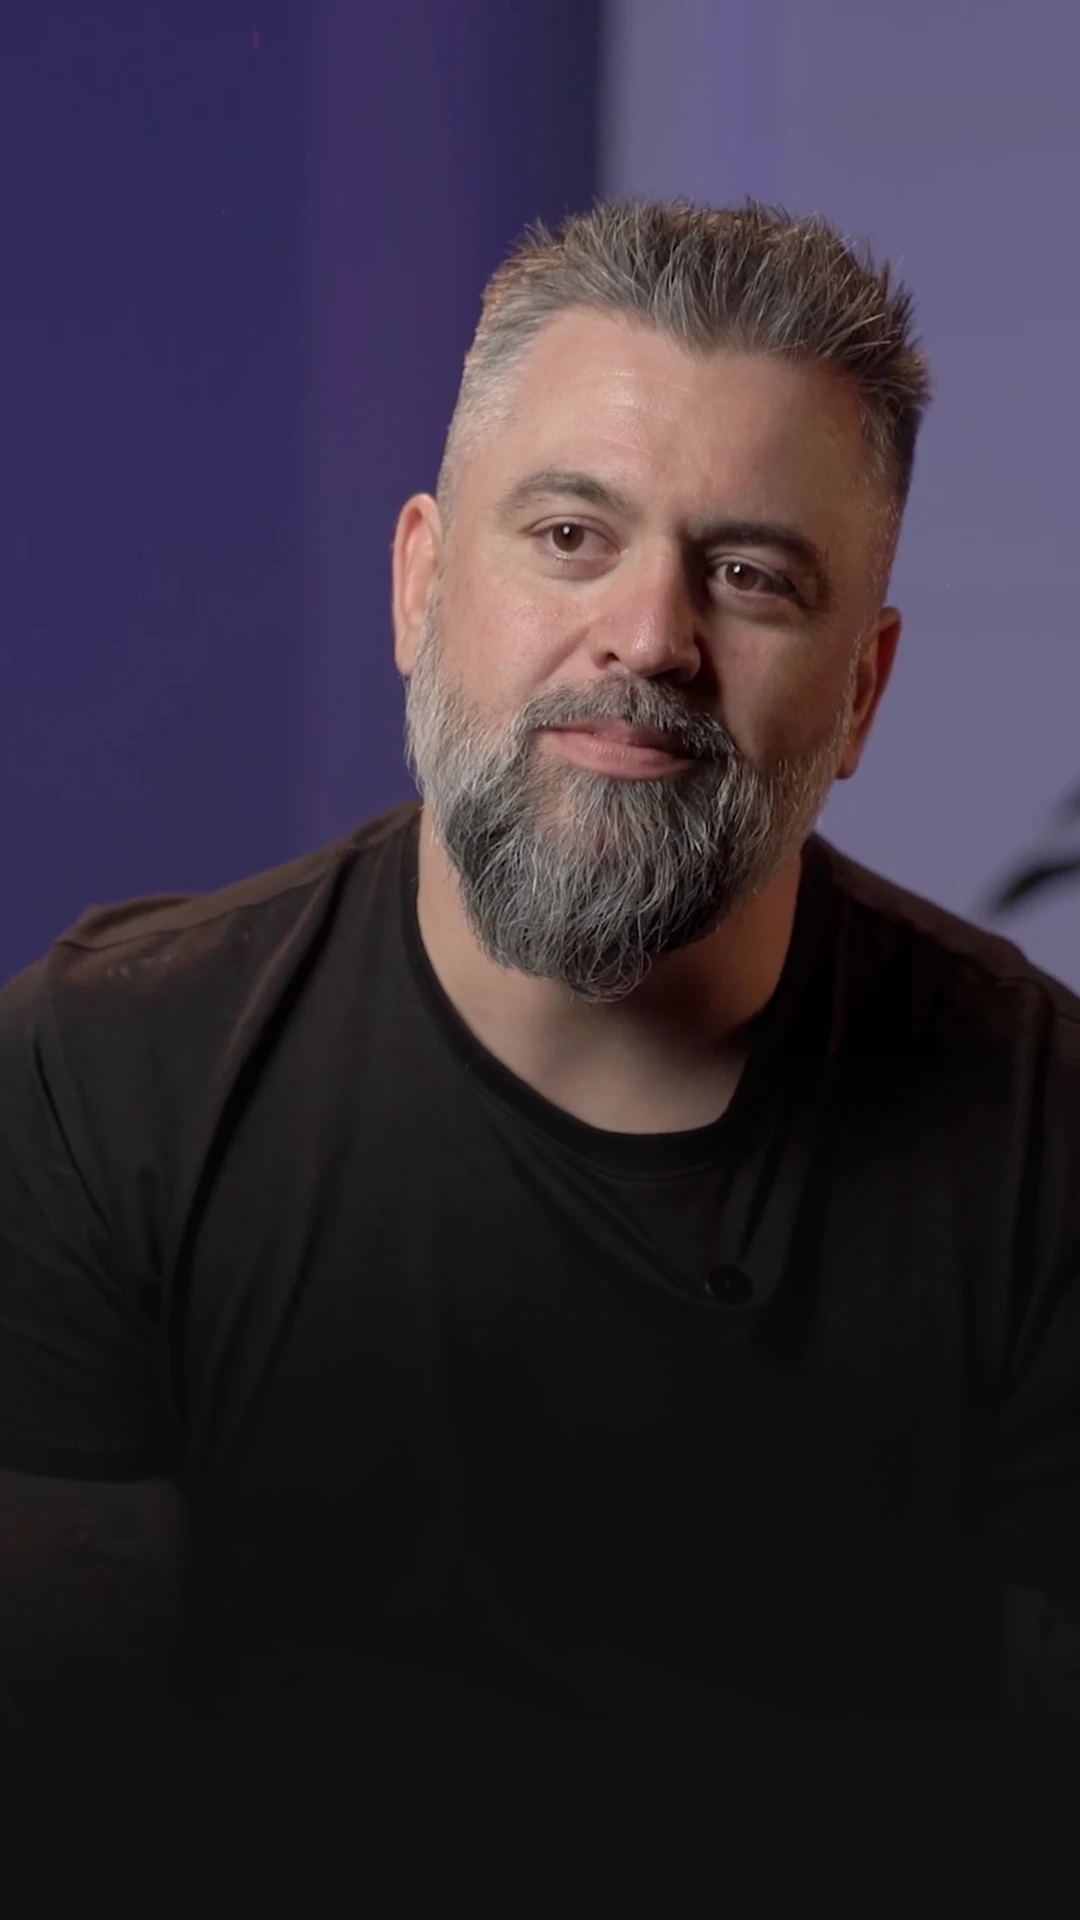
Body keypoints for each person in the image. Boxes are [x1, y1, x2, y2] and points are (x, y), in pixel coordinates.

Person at [0, 199, 1077, 1843]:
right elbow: (63, 1806)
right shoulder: (101, 1083)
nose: (649, 637)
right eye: (572, 534)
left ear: (860, 690)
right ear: (421, 584)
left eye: (749, 574)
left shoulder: (1046, 1144)